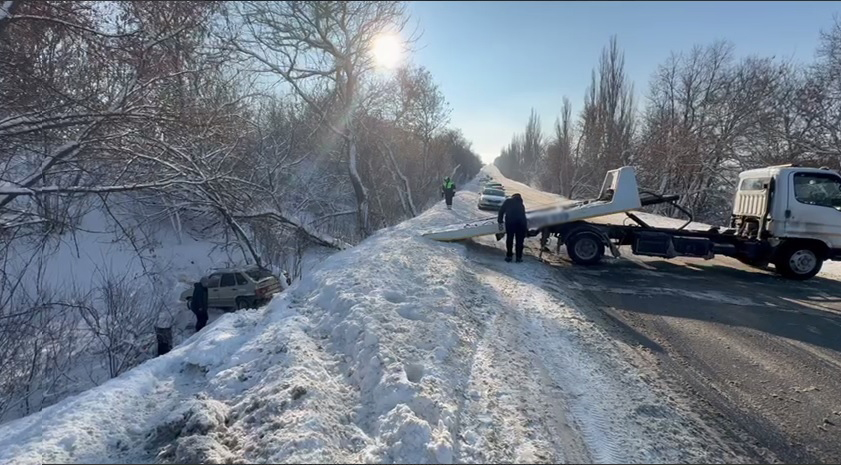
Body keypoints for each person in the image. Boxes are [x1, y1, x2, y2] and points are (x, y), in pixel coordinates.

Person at [498, 193, 527, 262]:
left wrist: (500, 220)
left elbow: (501, 211)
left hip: (510, 223)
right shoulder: (521, 204)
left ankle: (509, 256)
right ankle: (518, 257)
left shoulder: (508, 201)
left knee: (510, 239)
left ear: (513, 197)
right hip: (521, 224)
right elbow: (523, 216)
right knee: (519, 241)